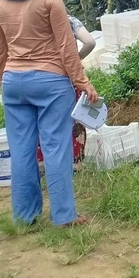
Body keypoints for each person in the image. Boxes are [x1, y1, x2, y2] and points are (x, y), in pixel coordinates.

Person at [0, 0, 97, 227]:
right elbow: (65, 46)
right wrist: (81, 81)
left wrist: (4, 84)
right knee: (55, 147)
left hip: (13, 81)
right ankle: (64, 216)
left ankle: (25, 217)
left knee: (21, 150)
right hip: (51, 82)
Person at [36, 14, 96, 172]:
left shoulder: (32, 20)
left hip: (41, 76)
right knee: (75, 118)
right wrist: (77, 58)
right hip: (69, 76)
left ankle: (43, 162)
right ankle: (75, 163)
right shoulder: (68, 19)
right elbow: (90, 42)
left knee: (43, 118)